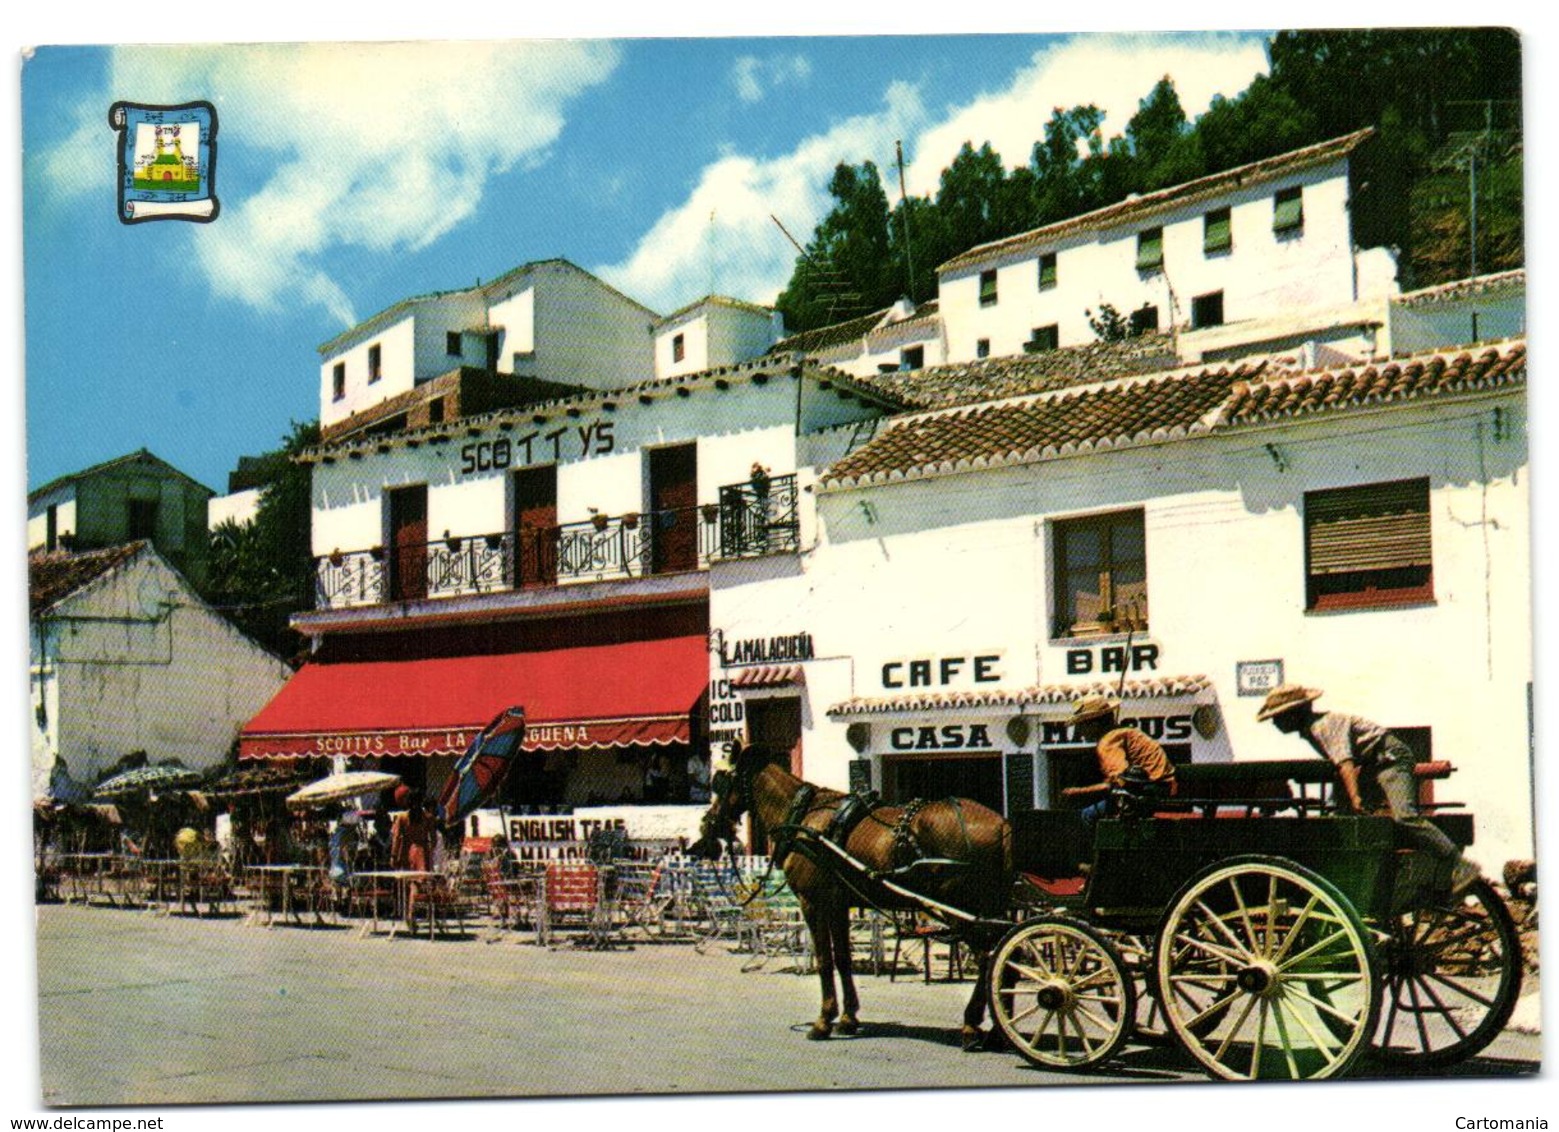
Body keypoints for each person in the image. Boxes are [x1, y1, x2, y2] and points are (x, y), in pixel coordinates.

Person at [1256, 683, 1479, 898]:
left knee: (1405, 815)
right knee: (1344, 819)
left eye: (1278, 716)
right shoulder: (1310, 730)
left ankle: (1460, 864)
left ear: (1294, 713)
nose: (1275, 722)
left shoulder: (1323, 725)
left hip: (1390, 759)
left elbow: (1345, 762)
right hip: (1373, 765)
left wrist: (1355, 795)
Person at [1059, 695, 1177, 833]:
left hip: (1148, 794)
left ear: (1094, 724)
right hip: (1164, 788)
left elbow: (1121, 782)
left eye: (1082, 725)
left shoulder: (1107, 742)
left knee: (1087, 814)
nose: (1080, 732)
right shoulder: (1126, 732)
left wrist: (1077, 792)